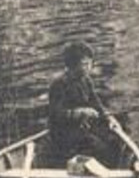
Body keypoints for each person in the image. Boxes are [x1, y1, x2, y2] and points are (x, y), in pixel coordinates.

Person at [46, 40, 126, 168]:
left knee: (115, 139)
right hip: (63, 134)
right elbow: (56, 115)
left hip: (80, 128)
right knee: (97, 146)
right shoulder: (59, 85)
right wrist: (80, 112)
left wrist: (110, 118)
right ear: (73, 65)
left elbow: (96, 103)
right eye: (85, 64)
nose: (90, 67)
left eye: (90, 63)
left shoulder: (86, 81)